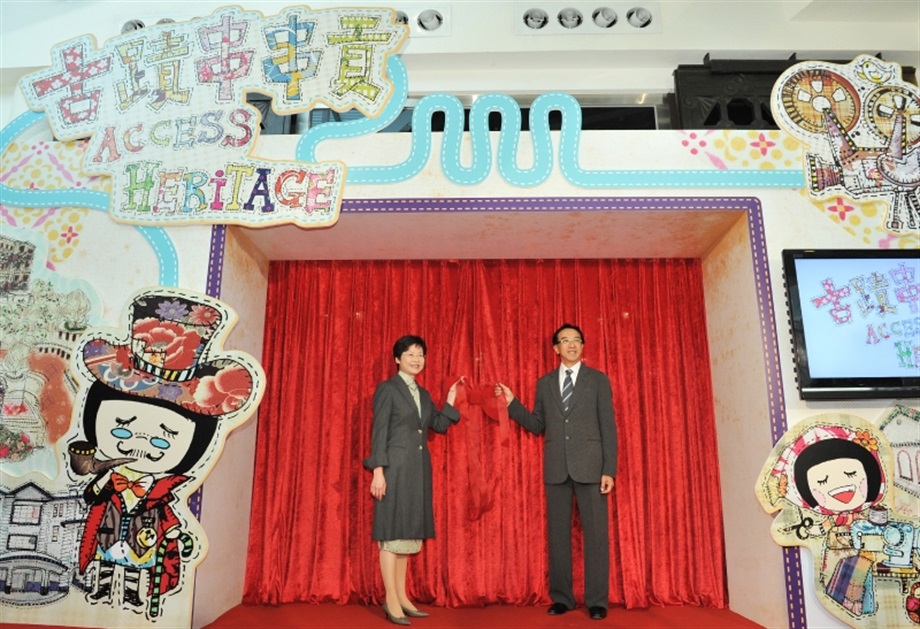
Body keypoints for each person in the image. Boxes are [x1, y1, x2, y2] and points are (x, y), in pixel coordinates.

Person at [495, 323, 617, 621]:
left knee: (597, 537)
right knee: (558, 536)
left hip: (591, 468)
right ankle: (562, 598)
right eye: (565, 340)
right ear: (555, 348)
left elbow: (608, 428)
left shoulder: (598, 381)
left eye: (577, 340)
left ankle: (597, 601)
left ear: (583, 346)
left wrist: (609, 470)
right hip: (557, 470)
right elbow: (538, 425)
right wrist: (512, 404)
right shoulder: (545, 383)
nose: (572, 344)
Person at [365, 335, 463, 626]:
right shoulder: (387, 389)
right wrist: (378, 471)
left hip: (418, 470)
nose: (416, 359)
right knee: (391, 533)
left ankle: (402, 596)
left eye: (420, 354)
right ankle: (390, 600)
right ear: (397, 359)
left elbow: (438, 425)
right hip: (394, 468)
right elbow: (378, 431)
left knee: (406, 535)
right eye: (410, 354)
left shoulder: (423, 393)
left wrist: (451, 401)